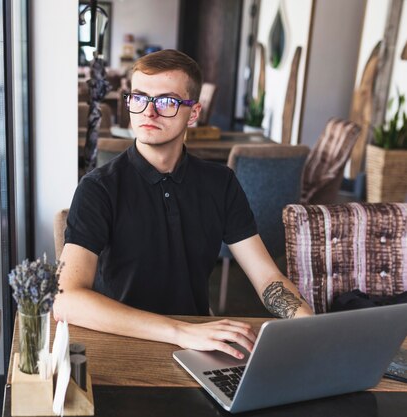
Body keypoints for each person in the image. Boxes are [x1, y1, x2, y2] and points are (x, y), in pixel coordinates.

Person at [53, 49, 313, 360]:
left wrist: (312, 332)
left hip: (200, 348)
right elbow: (66, 299)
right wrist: (179, 331)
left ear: (193, 113)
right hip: (121, 343)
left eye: (166, 101)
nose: (149, 112)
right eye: (139, 98)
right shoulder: (99, 188)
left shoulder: (220, 183)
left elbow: (268, 279)